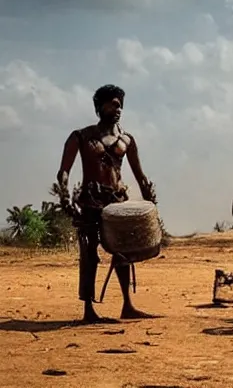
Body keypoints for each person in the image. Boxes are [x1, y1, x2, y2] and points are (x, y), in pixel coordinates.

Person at [56, 84, 158, 323]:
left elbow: (140, 175)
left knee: (123, 252)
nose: (118, 108)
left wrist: (150, 202)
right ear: (99, 107)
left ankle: (127, 305)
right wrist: (64, 194)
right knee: (89, 254)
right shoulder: (81, 136)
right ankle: (89, 310)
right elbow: (64, 171)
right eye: (112, 103)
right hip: (91, 201)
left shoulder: (127, 140)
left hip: (118, 201)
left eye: (120, 104)